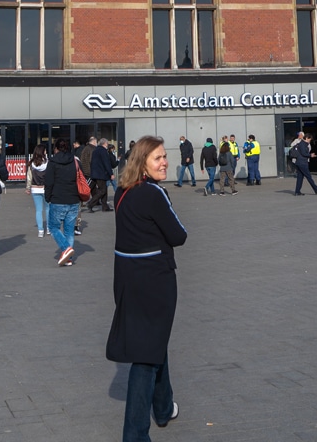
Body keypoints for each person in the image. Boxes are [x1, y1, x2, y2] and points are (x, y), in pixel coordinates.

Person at [106, 135, 186, 442]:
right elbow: (179, 234)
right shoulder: (153, 193)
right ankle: (135, 435)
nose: (164, 162)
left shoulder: (122, 192)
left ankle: (164, 408)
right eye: (158, 158)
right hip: (154, 281)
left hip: (126, 278)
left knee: (153, 341)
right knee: (146, 357)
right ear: (142, 164)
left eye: (165, 156)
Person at [44, 137, 79, 265]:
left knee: (53, 227)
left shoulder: (52, 162)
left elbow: (48, 182)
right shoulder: (74, 161)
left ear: (56, 148)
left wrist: (47, 197)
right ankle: (68, 258)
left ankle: (66, 249)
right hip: (73, 198)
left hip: (58, 198)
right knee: (69, 230)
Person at [26, 143, 49, 236]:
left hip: (35, 189)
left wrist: (28, 188)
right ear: (43, 152)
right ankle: (48, 228)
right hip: (46, 188)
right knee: (48, 209)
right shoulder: (48, 162)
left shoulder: (31, 163)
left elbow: (29, 177)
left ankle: (40, 230)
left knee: (38, 210)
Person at [88, 138, 116, 212]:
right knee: (102, 190)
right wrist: (111, 174)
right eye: (107, 143)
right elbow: (106, 163)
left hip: (95, 173)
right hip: (101, 174)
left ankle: (105, 207)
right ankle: (91, 203)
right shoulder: (103, 151)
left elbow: (92, 162)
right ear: (105, 143)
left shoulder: (95, 150)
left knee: (104, 190)